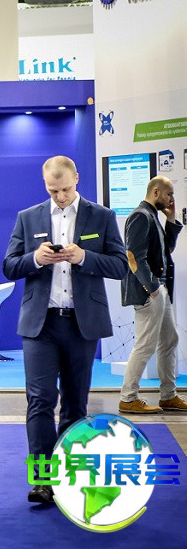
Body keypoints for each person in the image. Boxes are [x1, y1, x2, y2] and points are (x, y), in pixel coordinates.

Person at [2, 155, 127, 505]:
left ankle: (68, 477)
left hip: (80, 324)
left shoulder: (101, 217)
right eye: (52, 191)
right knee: (40, 400)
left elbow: (120, 266)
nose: (59, 197)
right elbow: (9, 266)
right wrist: (35, 259)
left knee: (74, 404)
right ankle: (42, 480)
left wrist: (83, 257)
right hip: (40, 325)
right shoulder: (28, 217)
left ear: (77, 179)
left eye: (65, 190)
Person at [119, 176, 187, 414]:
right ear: (156, 192)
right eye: (169, 194)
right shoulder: (141, 216)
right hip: (150, 292)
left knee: (169, 340)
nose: (171, 199)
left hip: (158, 290)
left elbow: (166, 250)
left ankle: (168, 396)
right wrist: (153, 288)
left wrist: (171, 219)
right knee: (145, 345)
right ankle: (128, 398)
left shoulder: (152, 216)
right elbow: (133, 256)